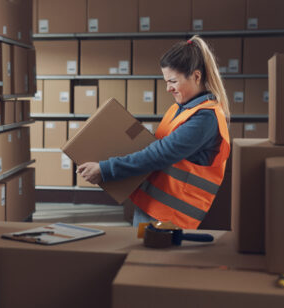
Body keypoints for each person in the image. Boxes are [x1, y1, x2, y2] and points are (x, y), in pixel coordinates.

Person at [76, 35, 230, 229]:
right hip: (152, 208)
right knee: (142, 257)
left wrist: (106, 169)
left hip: (171, 218)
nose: (168, 88)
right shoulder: (180, 109)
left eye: (172, 81)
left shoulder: (205, 118)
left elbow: (160, 154)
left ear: (196, 76)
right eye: (166, 81)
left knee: (153, 259)